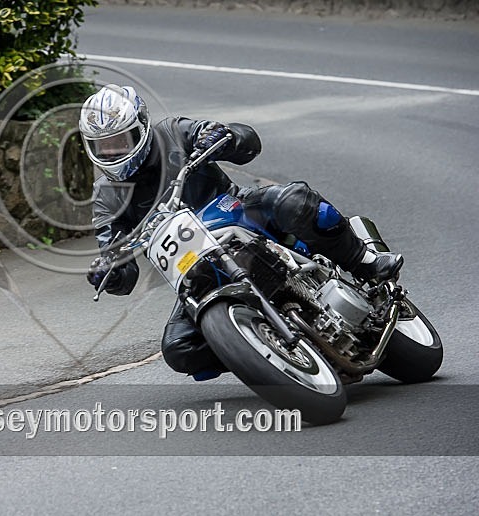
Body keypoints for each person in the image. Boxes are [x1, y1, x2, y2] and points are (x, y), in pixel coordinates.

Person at [80, 84, 403, 380]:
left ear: (141, 128)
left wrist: (224, 136)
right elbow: (119, 262)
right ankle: (267, 351)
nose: (112, 151)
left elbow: (247, 141)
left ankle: (364, 260)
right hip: (194, 266)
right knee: (180, 349)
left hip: (238, 211)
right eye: (103, 146)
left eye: (120, 141)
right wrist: (111, 270)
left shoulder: (173, 133)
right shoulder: (106, 196)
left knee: (295, 201)